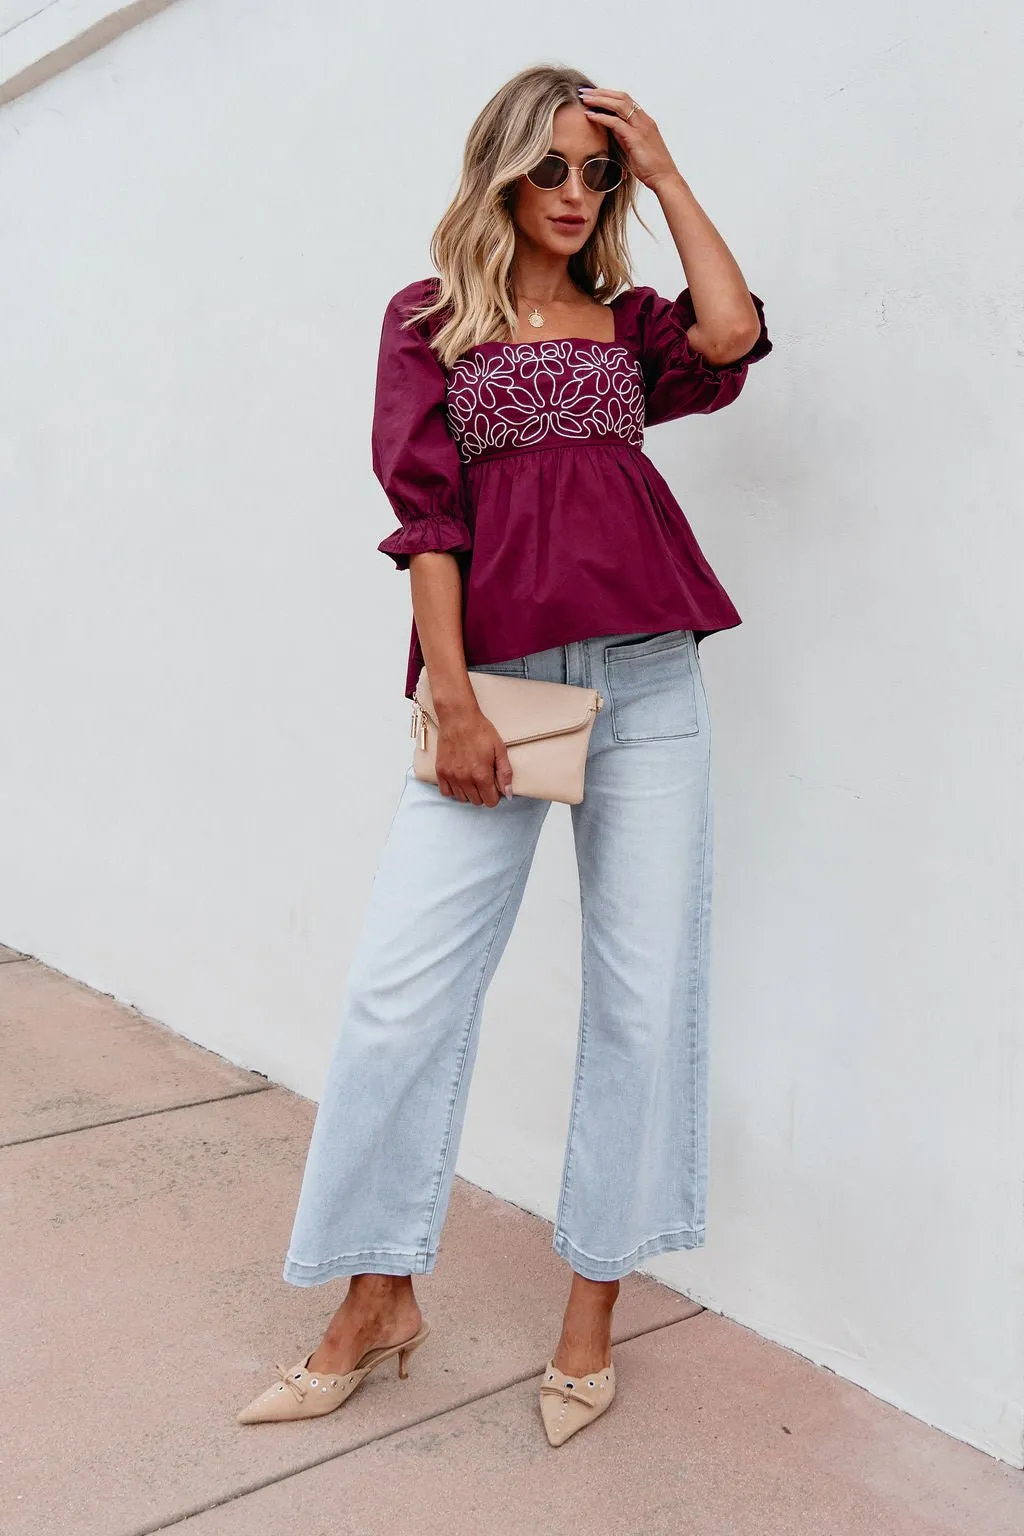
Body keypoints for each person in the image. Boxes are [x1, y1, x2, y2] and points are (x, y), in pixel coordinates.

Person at [237, 62, 772, 1446]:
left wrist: (663, 163)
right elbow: (425, 516)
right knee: (398, 995)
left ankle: (590, 1314)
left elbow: (730, 333)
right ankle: (374, 1298)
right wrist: (457, 699)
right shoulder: (429, 320)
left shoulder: (630, 320)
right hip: (503, 686)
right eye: (553, 168)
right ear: (499, 170)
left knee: (643, 998)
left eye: (596, 173)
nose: (574, 193)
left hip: (650, 669)